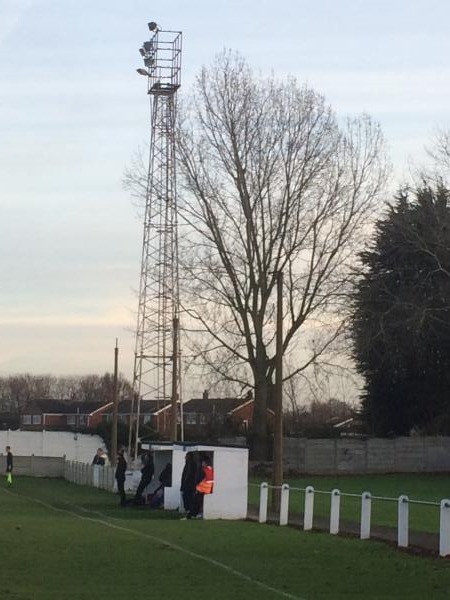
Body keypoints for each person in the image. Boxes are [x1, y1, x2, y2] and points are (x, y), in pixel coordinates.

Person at [184, 455, 214, 519]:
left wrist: (196, 486)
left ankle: (192, 515)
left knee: (195, 502)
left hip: (201, 489)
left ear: (205, 463)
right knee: (200, 503)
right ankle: (196, 514)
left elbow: (199, 479)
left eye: (203, 462)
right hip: (208, 490)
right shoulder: (211, 469)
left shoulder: (204, 470)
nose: (202, 464)